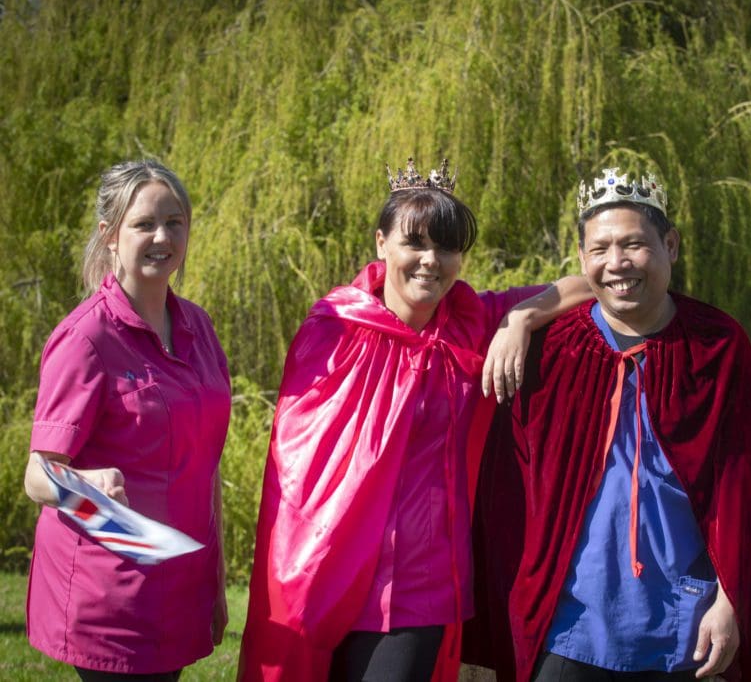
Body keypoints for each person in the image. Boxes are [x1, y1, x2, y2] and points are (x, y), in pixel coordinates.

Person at [238, 158, 592, 682]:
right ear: (382, 243)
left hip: (420, 579)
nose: (430, 261)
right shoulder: (333, 329)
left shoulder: (473, 319)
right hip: (327, 564)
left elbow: (587, 283)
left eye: (446, 248)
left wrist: (521, 318)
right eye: (416, 243)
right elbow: (298, 468)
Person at [467, 168, 751, 681]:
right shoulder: (549, 348)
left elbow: (740, 489)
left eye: (634, 244)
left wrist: (729, 598)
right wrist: (518, 319)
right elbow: (509, 494)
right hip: (568, 626)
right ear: (582, 259)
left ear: (670, 244)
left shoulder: (718, 346)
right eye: (600, 249)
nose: (617, 263)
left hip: (681, 622)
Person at [23, 160, 231, 681]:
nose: (162, 236)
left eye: (175, 221)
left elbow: (208, 465)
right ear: (110, 236)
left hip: (181, 582)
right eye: (144, 224)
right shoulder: (86, 339)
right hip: (111, 594)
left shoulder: (198, 327)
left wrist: (217, 579)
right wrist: (85, 485)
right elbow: (37, 475)